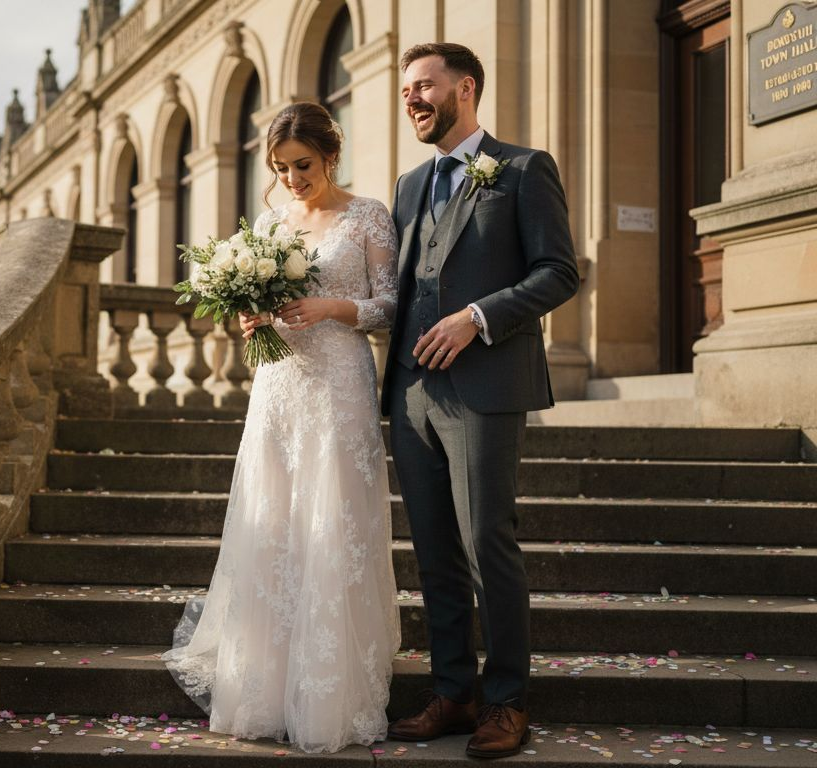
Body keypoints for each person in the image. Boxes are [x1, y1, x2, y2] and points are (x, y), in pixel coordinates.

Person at [165, 101, 401, 753]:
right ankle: (264, 685)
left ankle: (331, 690)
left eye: (302, 165)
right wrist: (252, 321)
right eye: (280, 168)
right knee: (271, 525)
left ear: (332, 155)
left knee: (334, 523)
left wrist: (331, 305)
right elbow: (259, 304)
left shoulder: (368, 216)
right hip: (277, 388)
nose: (293, 179)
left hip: (340, 385)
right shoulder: (270, 222)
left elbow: (392, 304)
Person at [380, 43, 579, 757]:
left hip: (486, 387)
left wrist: (477, 318)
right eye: (406, 90)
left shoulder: (523, 169)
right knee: (434, 553)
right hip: (411, 396)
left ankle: (506, 702)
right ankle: (454, 693)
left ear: (465, 88)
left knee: (484, 544)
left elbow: (560, 272)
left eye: (424, 86)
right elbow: (396, 292)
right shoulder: (408, 186)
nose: (412, 100)